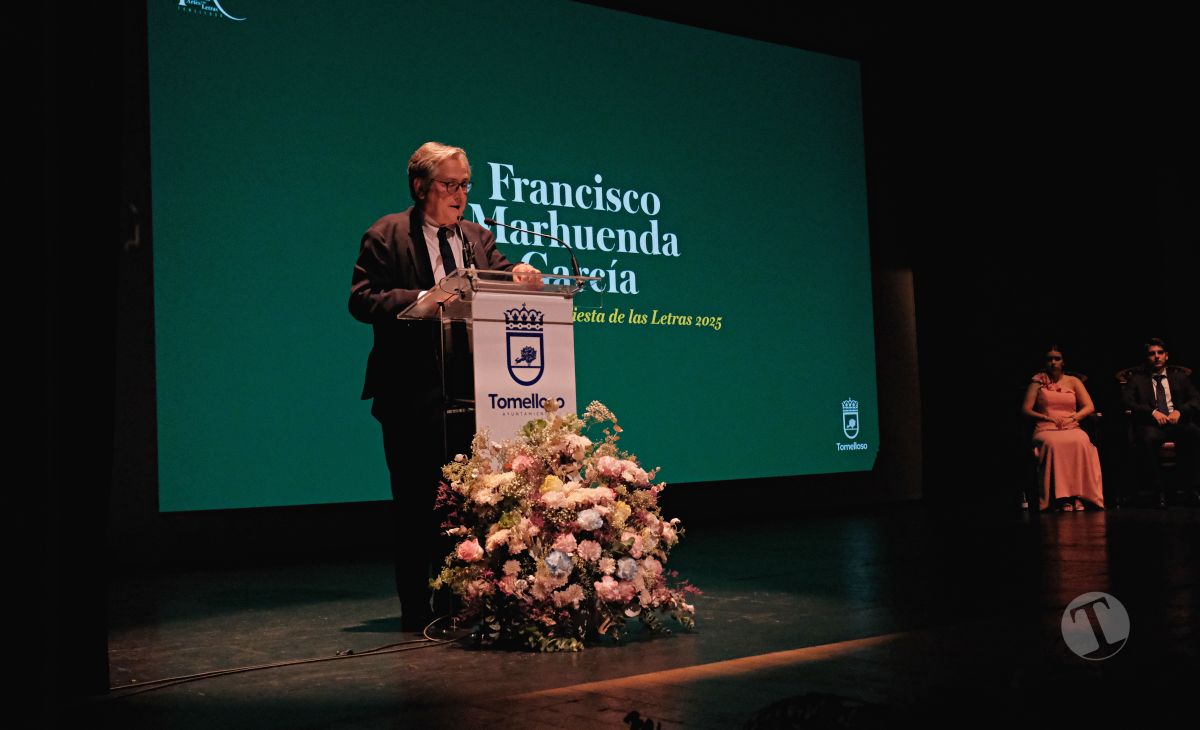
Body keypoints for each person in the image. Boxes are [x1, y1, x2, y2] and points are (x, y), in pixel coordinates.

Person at [349, 141, 540, 631]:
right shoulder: (387, 234)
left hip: (471, 392)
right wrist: (422, 298)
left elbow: (500, 276)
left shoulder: (476, 237)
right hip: (410, 394)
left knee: (466, 505)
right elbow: (362, 299)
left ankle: (459, 604)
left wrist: (519, 274)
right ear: (420, 187)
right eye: (449, 184)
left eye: (465, 185)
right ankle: (417, 610)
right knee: (416, 506)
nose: (460, 195)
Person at [1021, 347, 1104, 512]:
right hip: (1046, 427)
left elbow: (1089, 406)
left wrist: (1074, 417)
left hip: (1070, 425)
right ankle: (1060, 498)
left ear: (1063, 361)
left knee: (1081, 441)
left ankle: (1079, 496)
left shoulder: (1074, 381)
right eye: (1049, 359)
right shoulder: (1037, 382)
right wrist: (1046, 417)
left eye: (1057, 358)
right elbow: (1026, 409)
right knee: (1053, 444)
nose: (1053, 362)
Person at [1121, 338, 1200, 507]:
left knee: (1194, 433)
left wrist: (1180, 411)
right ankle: (1159, 491)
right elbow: (1127, 402)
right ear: (1147, 357)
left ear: (1166, 356)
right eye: (1152, 354)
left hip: (1177, 423)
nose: (1156, 356)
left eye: (1160, 353)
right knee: (1148, 439)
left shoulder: (1179, 377)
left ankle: (1191, 489)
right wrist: (1152, 412)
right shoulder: (1137, 379)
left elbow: (1196, 399)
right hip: (1152, 425)